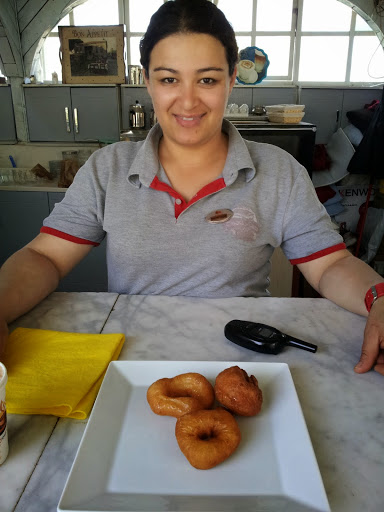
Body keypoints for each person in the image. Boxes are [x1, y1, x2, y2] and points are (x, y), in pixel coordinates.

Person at [0, 0, 383, 375]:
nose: (187, 100)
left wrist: (379, 298)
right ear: (147, 81)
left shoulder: (278, 171)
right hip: (133, 368)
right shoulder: (109, 168)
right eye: (169, 79)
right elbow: (45, 257)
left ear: (232, 79)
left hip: (245, 366)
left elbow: (331, 264)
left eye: (207, 79)